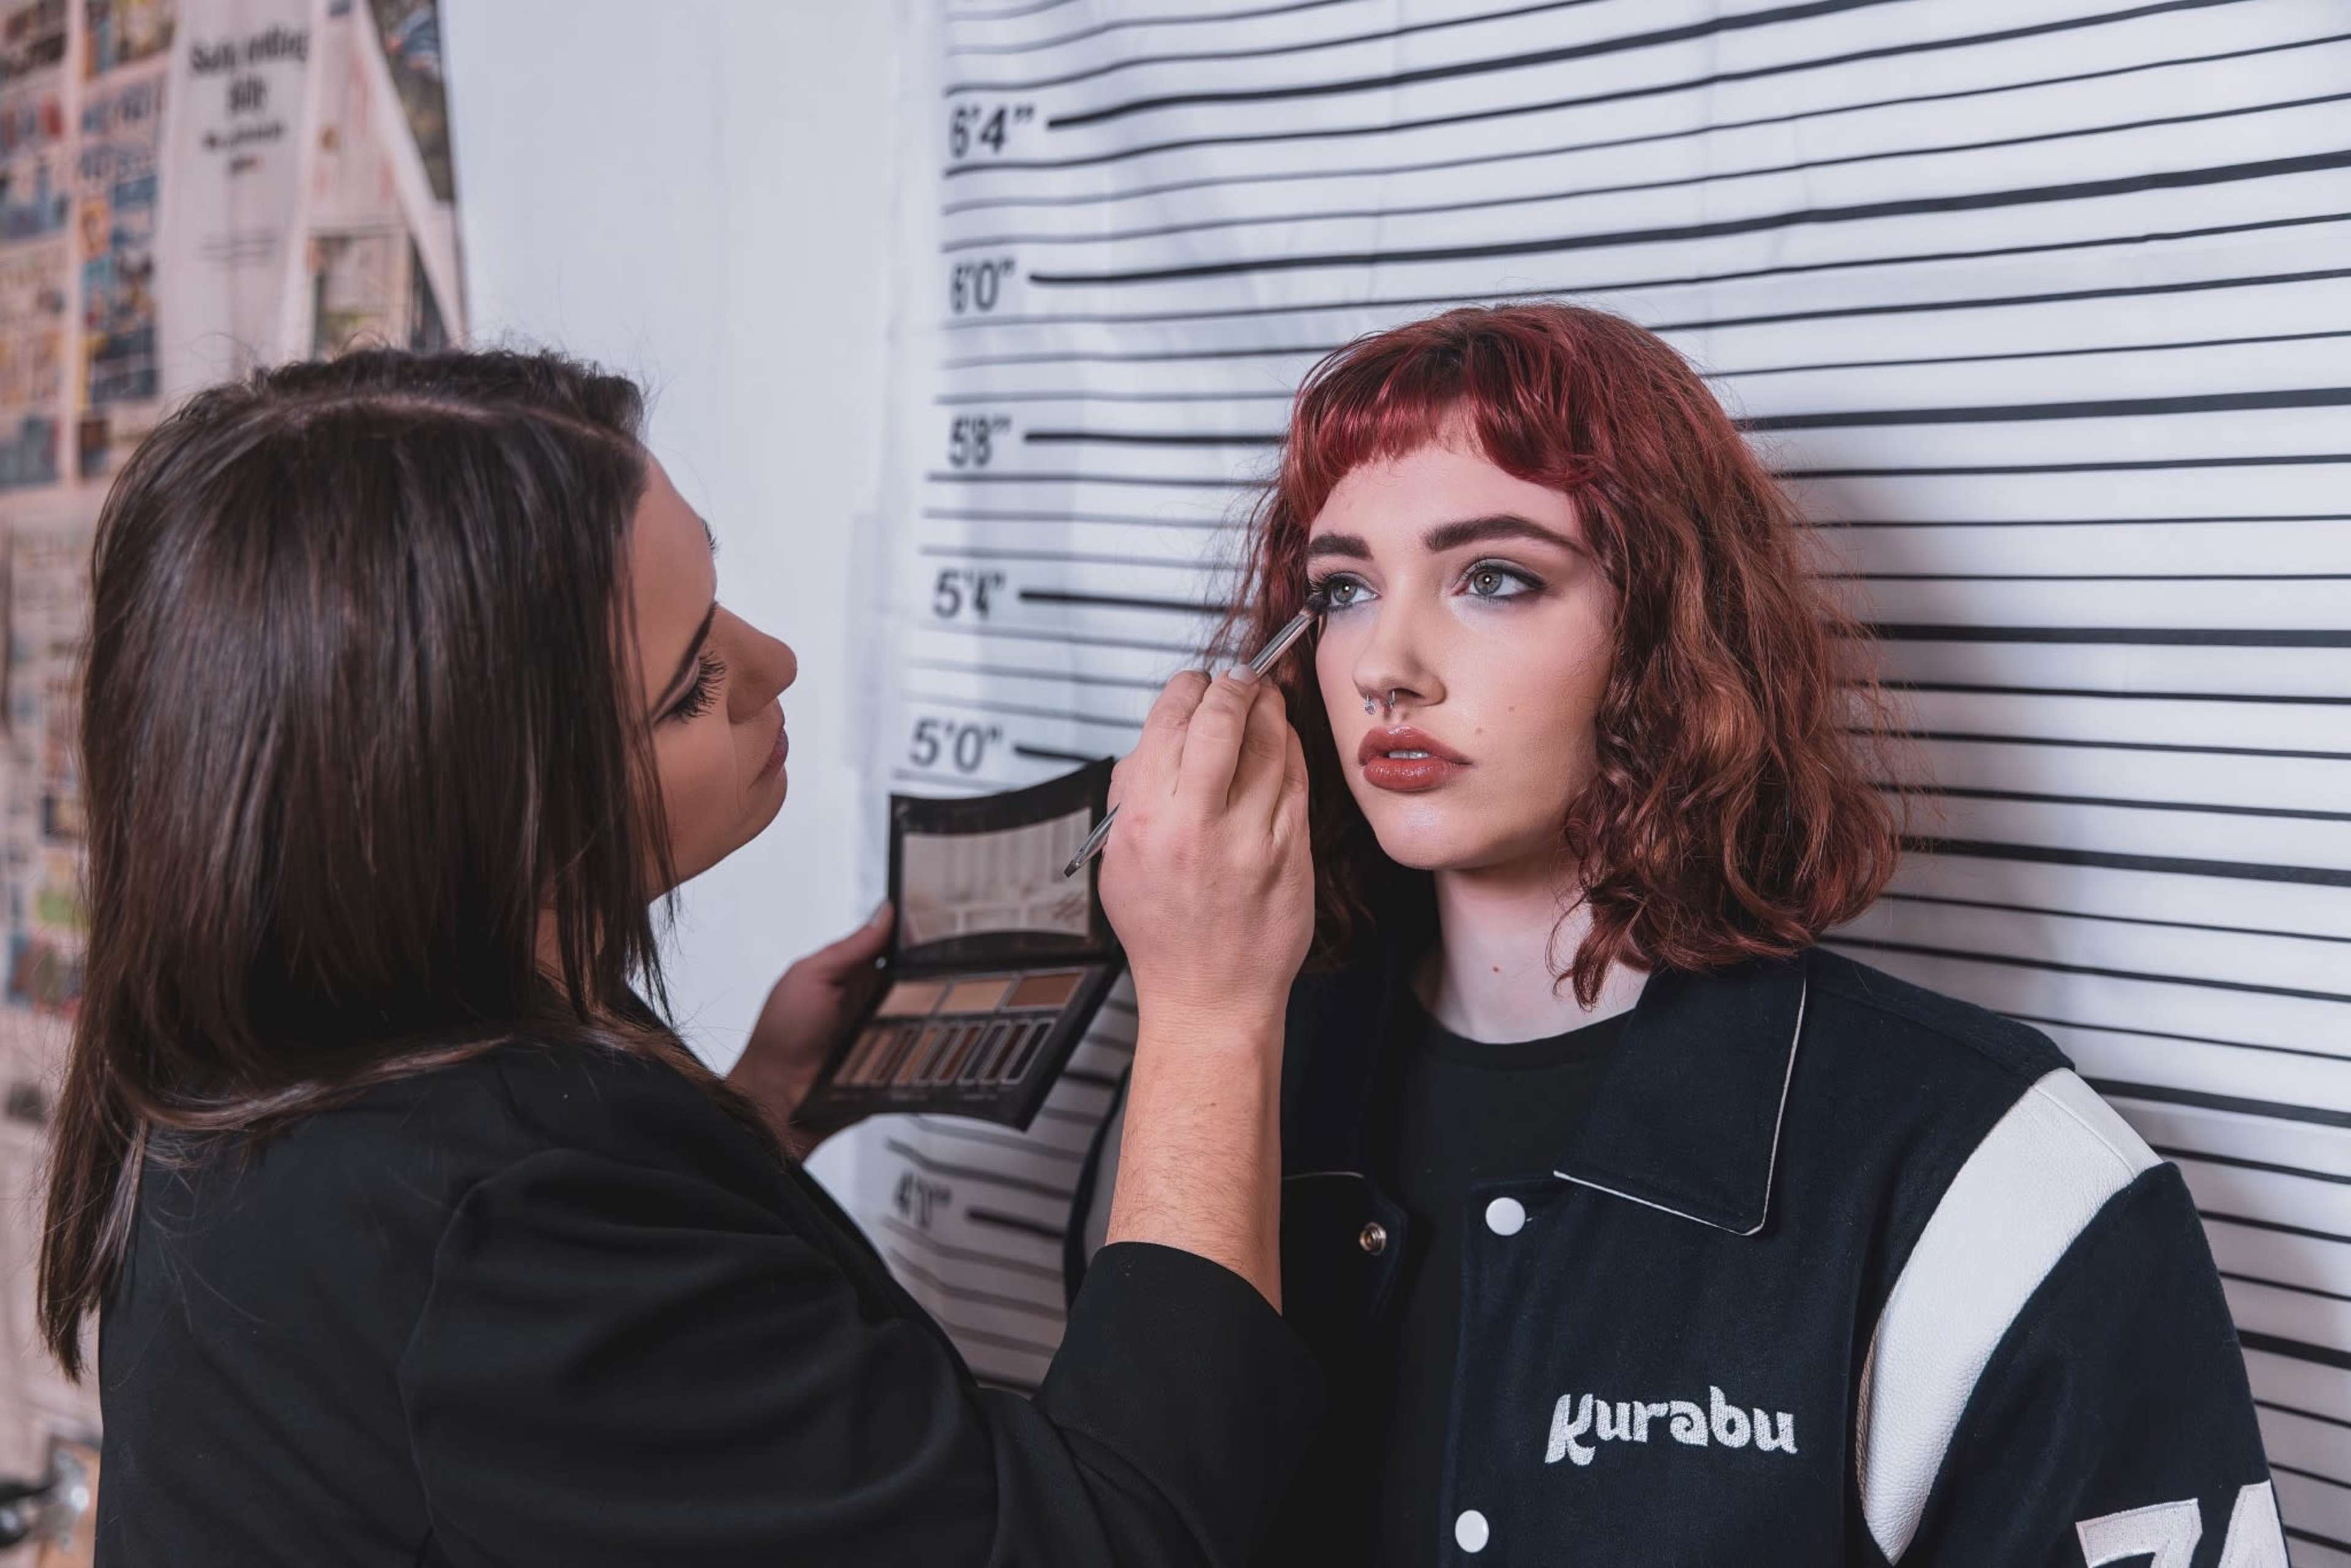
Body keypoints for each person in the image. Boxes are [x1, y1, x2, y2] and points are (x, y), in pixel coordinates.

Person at [40, 348, 1324, 1566]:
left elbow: (558, 1462)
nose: (776, 663)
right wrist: (1212, 1007)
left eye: (717, 599)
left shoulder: (258, 1076)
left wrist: (755, 1115)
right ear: (480, 814)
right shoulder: (495, 1233)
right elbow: (1101, 1542)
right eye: (689, 686)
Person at [1071, 304, 2283, 1566]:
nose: (1388, 663)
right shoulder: (1197, 1107)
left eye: (1494, 577)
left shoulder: (1993, 1169)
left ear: (1665, 619)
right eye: (1341, 589)